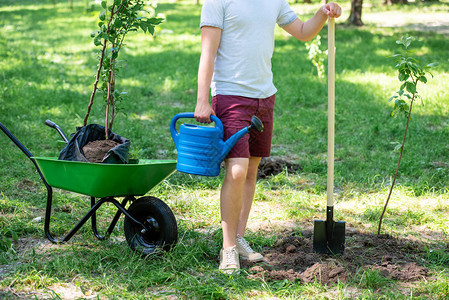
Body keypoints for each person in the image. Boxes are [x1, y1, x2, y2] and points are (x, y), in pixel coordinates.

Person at [194, 0, 342, 274]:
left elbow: (302, 31)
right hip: (230, 95)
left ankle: (238, 239)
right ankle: (227, 250)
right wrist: (203, 99)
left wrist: (322, 13)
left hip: (264, 97)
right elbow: (208, 52)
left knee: (251, 171)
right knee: (236, 171)